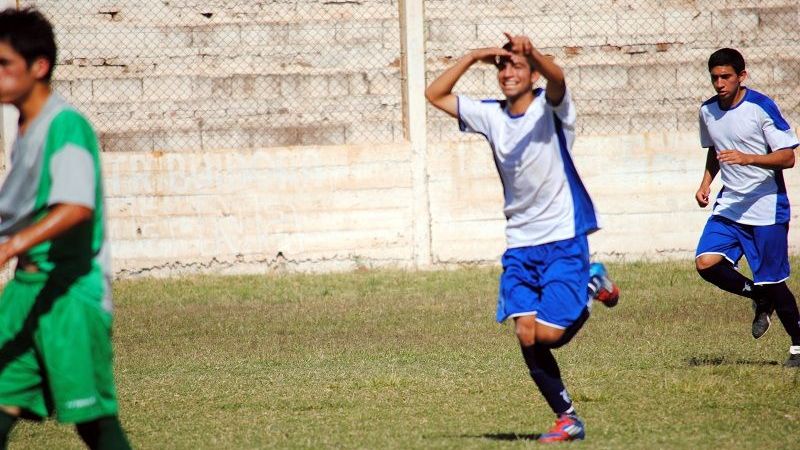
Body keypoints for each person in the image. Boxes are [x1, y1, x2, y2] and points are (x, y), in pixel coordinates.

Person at [425, 33, 619, 443]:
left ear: (533, 75)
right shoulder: (491, 115)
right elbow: (435, 94)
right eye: (502, 66)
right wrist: (473, 55)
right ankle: (567, 418)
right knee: (526, 334)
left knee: (550, 336)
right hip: (519, 242)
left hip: (563, 236)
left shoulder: (552, 109)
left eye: (517, 66)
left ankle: (591, 282)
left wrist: (533, 54)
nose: (507, 72)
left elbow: (559, 78)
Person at [0, 8, 132, 448]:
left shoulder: (66, 126)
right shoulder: (26, 127)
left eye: (4, 64)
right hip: (25, 293)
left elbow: (76, 207)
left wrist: (11, 245)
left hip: (69, 296)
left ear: (39, 67)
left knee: (95, 425)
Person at [694, 48, 800, 368]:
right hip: (731, 204)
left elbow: (788, 157)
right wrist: (705, 183)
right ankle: (758, 296)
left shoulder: (760, 107)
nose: (719, 84)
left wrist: (748, 158)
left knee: (773, 280)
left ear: (742, 76)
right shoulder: (708, 111)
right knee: (706, 263)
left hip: (766, 206)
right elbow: (715, 149)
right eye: (715, 78)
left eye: (726, 77)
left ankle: (798, 345)